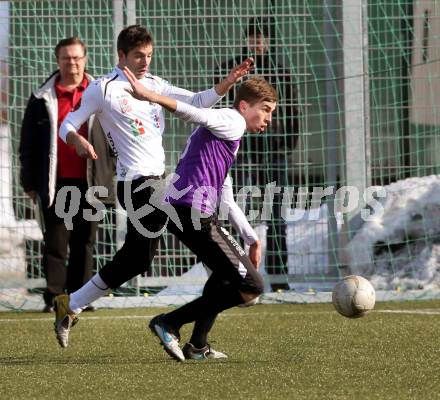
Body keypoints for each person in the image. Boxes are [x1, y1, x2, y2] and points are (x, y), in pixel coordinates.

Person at [52, 25, 253, 348]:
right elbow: (67, 124)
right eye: (138, 56)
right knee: (201, 232)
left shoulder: (155, 85)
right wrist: (76, 140)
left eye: (148, 55)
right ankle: (190, 316)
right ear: (121, 56)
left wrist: (226, 84)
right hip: (136, 186)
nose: (145, 62)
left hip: (157, 181)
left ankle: (71, 303)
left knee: (136, 260)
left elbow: (198, 102)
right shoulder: (103, 89)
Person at [123, 69, 276, 362]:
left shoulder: (225, 137)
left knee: (224, 276)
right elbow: (195, 113)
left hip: (186, 212)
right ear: (244, 106)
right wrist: (149, 96)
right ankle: (169, 322)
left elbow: (225, 194)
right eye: (265, 110)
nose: (268, 118)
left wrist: (250, 237)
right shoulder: (232, 120)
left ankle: (198, 346)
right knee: (252, 285)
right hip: (192, 212)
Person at [19, 37, 115, 313]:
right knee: (56, 241)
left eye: (76, 57)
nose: (71, 63)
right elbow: (27, 145)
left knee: (84, 241)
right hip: (55, 182)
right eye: (66, 58)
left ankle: (79, 299)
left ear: (85, 59)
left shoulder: (101, 94)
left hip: (92, 180)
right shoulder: (41, 99)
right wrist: (28, 181)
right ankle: (54, 297)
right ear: (57, 60)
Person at [216, 17, 300, 278]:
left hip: (273, 150)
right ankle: (238, 272)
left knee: (276, 212)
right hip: (239, 151)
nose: (258, 42)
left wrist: (287, 144)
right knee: (236, 211)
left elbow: (292, 112)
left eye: (262, 37)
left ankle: (278, 274)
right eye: (253, 36)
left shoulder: (281, 72)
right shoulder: (232, 69)